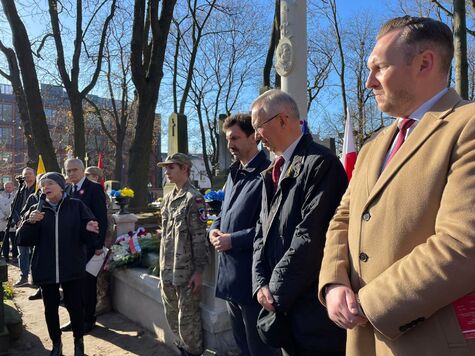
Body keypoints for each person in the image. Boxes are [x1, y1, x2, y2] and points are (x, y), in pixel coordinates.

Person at [318, 16, 475, 356]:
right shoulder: (375, 145)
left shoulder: (467, 125)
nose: (368, 82)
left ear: (424, 63)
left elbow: (463, 244)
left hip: (429, 342)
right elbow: (344, 217)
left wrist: (368, 304)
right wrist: (333, 281)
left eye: (379, 68)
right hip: (362, 341)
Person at [251, 89, 348, 355]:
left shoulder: (321, 164)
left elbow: (310, 236)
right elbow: (261, 231)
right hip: (281, 304)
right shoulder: (271, 172)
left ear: (283, 120)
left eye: (259, 127)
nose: (257, 137)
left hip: (311, 310)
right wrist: (260, 283)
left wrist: (274, 293)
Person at [209, 113, 277, 356]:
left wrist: (232, 240)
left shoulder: (268, 173)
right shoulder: (234, 172)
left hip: (253, 280)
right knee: (242, 347)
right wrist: (214, 229)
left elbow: (270, 226)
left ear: (254, 137)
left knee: (260, 349)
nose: (230, 145)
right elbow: (225, 212)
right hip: (230, 278)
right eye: (228, 140)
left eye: (235, 138)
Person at [16, 172, 100, 356]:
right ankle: (56, 345)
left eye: (50, 183)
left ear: (62, 186)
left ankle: (79, 344)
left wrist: (87, 229)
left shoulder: (76, 206)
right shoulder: (36, 209)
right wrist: (30, 222)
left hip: (71, 266)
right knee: (50, 309)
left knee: (75, 307)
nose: (46, 186)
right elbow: (22, 240)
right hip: (46, 267)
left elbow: (91, 237)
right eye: (43, 183)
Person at [157, 153, 209, 356]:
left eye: (171, 167)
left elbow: (198, 238)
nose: (167, 171)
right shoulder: (169, 198)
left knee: (188, 320)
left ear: (184, 168)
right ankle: (182, 349)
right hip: (167, 270)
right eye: (166, 168)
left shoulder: (193, 198)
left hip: (185, 271)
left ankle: (193, 353)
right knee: (171, 315)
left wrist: (198, 271)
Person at [61, 158, 108, 333]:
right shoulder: (67, 189)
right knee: (72, 285)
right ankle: (76, 318)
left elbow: (101, 219)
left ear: (82, 170)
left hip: (89, 246)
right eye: (68, 171)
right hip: (71, 246)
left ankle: (89, 319)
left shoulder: (94, 188)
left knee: (87, 285)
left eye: (74, 170)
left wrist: (98, 245)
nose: (71, 173)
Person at [11, 167, 36, 286]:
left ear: (34, 175)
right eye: (25, 174)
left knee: (36, 252)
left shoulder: (39, 188)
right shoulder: (20, 189)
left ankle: (36, 278)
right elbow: (14, 206)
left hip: (36, 224)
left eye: (30, 174)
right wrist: (17, 221)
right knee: (23, 252)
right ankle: (23, 277)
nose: (28, 176)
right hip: (22, 225)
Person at [0, 181, 16, 262]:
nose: (8, 189)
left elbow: (18, 208)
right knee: (5, 241)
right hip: (3, 222)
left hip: (13, 221)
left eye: (9, 187)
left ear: (13, 187)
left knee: (14, 240)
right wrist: (3, 216)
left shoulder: (17, 196)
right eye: (6, 187)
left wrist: (13, 218)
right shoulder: (0, 196)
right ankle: (6, 256)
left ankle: (15, 255)